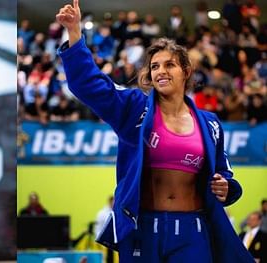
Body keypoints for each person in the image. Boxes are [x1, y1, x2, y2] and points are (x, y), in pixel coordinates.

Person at [56, 1, 252, 262]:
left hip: (193, 233)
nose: (160, 71)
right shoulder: (135, 109)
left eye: (169, 65)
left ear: (186, 71)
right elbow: (90, 85)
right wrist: (74, 33)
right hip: (143, 230)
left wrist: (227, 187)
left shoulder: (210, 123)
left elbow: (223, 174)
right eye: (155, 66)